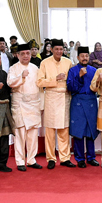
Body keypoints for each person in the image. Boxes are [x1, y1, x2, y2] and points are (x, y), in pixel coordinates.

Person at [37, 39, 73, 169]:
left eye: (61, 49)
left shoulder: (68, 62)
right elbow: (40, 82)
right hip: (51, 96)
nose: (59, 51)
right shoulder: (44, 63)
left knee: (64, 129)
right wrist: (55, 79)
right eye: (56, 49)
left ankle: (65, 158)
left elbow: (72, 80)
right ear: (51, 49)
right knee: (50, 130)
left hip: (64, 97)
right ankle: (51, 158)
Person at [7, 44, 44, 170]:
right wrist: (21, 76)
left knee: (33, 134)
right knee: (20, 133)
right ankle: (20, 161)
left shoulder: (35, 68)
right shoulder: (13, 68)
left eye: (28, 53)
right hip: (20, 104)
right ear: (17, 55)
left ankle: (32, 159)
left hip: (34, 104)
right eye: (22, 54)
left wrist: (41, 104)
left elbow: (40, 87)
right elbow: (10, 83)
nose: (25, 56)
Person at [67, 46, 99, 168]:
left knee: (91, 130)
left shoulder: (94, 70)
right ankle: (80, 158)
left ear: (89, 57)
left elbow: (97, 87)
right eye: (82, 56)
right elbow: (70, 87)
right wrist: (79, 76)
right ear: (78, 57)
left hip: (91, 100)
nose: (84, 58)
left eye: (86, 56)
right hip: (78, 101)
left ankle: (91, 157)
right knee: (78, 131)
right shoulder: (73, 70)